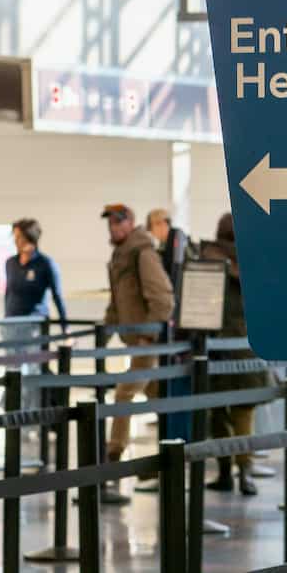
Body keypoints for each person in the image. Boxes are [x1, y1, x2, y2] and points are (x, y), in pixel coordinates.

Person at [100, 203, 174, 502]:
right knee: (158, 396)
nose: (113, 228)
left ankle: (112, 459)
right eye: (110, 223)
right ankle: (169, 457)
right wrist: (104, 332)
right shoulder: (121, 254)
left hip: (146, 342)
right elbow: (117, 301)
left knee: (123, 394)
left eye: (119, 222)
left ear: (130, 222)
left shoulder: (142, 252)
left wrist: (148, 335)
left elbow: (163, 297)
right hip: (134, 339)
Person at [200, 213, 271, 497]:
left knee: (218, 414)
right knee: (244, 415)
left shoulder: (207, 260)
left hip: (216, 347)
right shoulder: (255, 264)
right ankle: (246, 473)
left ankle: (224, 471)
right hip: (247, 347)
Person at [3, 218, 67, 329]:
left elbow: (57, 296)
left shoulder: (46, 264)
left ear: (30, 238)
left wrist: (65, 328)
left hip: (34, 326)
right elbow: (8, 293)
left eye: (19, 237)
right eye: (15, 237)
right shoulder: (11, 263)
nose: (15, 240)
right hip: (11, 325)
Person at [146, 208, 194, 295]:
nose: (151, 233)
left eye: (151, 228)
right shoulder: (164, 244)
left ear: (162, 224)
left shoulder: (177, 239)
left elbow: (176, 273)